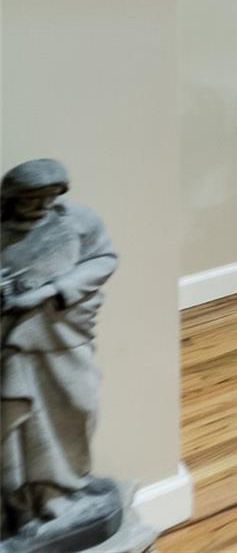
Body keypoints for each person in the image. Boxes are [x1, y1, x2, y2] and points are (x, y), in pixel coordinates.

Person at [2, 159, 120, 543]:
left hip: (62, 334)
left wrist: (52, 290)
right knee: (18, 423)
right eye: (30, 199)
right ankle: (25, 506)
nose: (40, 206)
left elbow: (104, 259)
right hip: (13, 344)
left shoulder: (80, 220)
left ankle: (67, 487)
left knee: (79, 405)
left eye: (49, 198)